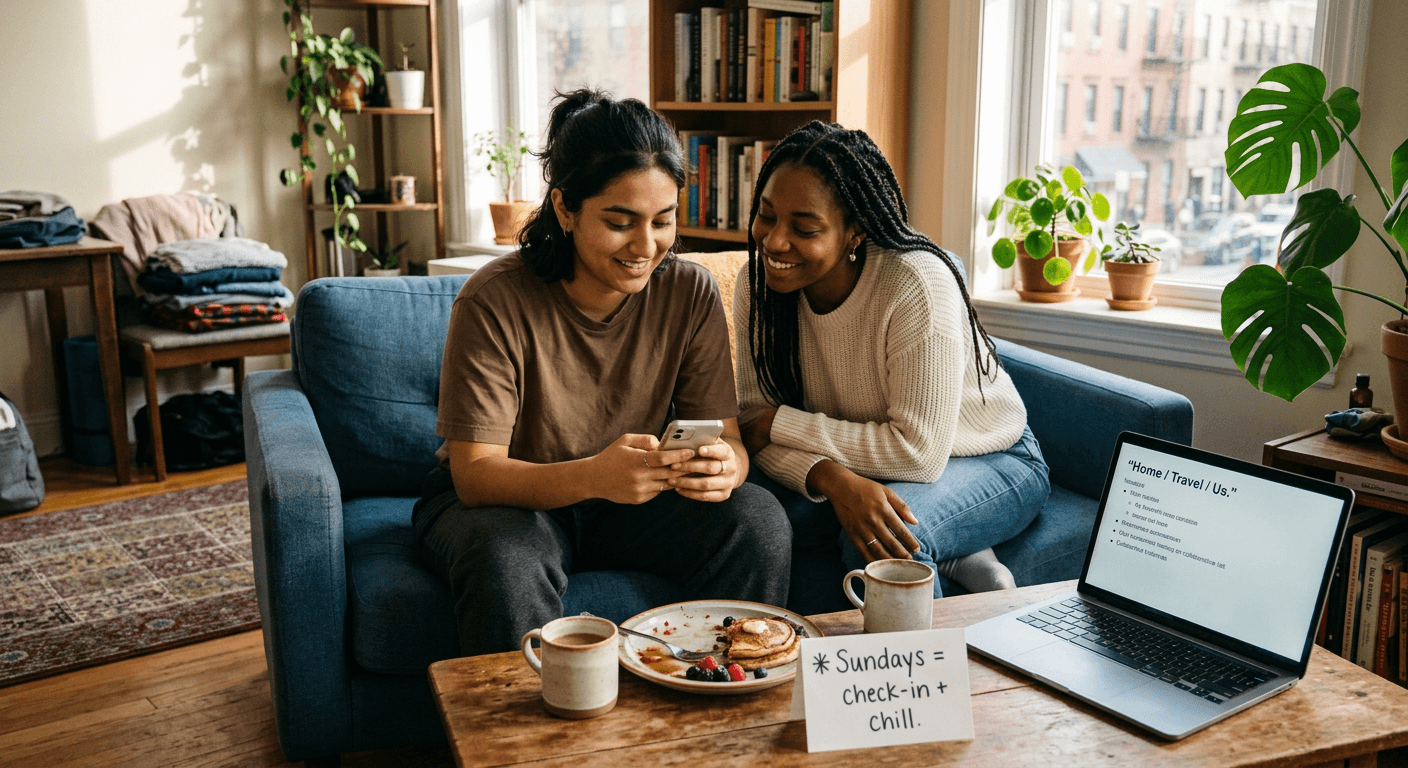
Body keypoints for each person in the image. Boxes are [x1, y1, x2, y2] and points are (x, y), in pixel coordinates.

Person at [414, 90, 791, 656]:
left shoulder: (689, 292)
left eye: (662, 222)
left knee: (757, 518)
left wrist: (726, 468)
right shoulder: (493, 299)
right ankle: (524, 746)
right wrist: (595, 476)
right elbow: (476, 474)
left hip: (630, 501)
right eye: (620, 222)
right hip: (505, 503)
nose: (646, 246)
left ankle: (721, 718)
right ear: (565, 209)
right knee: (506, 556)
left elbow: (729, 439)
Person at [734, 121, 1050, 606]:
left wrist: (781, 422)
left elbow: (918, 453)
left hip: (988, 456)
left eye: (804, 228)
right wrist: (833, 479)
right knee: (741, 511)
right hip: (861, 462)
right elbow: (753, 431)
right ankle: (960, 553)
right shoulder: (758, 285)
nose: (774, 242)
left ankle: (940, 678)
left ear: (855, 230)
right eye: (766, 215)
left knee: (885, 541)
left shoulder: (915, 284)